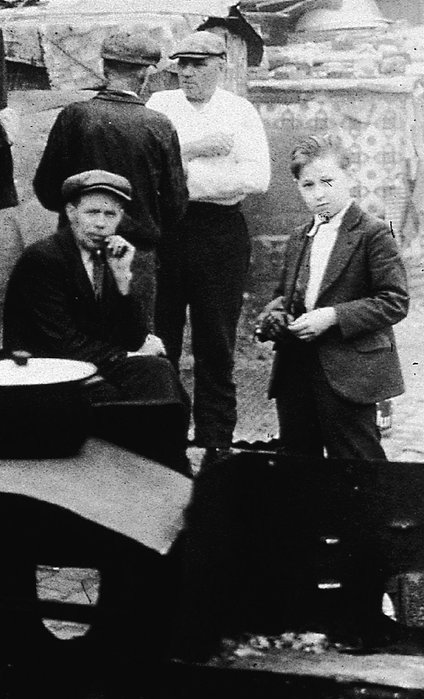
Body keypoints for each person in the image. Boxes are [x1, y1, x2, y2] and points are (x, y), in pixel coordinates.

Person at [146, 29, 271, 461]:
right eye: (181, 63)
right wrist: (200, 150)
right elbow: (147, 169)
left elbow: (257, 178)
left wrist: (182, 171)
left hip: (220, 234)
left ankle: (216, 439)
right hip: (166, 232)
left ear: (222, 65)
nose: (187, 73)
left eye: (198, 64)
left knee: (215, 340)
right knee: (160, 336)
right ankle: (163, 436)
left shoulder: (239, 111)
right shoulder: (159, 107)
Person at [254, 138, 408, 460]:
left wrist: (334, 315)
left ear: (348, 177)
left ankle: (368, 512)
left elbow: (394, 300)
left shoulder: (373, 233)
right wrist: (276, 314)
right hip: (296, 367)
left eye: (328, 181)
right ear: (298, 187)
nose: (319, 193)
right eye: (308, 185)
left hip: (349, 368)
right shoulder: (300, 236)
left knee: (356, 462)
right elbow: (286, 293)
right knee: (299, 462)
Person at [33, 29, 188, 321]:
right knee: (133, 347)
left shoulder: (73, 116)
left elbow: (46, 190)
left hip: (76, 254)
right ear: (144, 75)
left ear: (104, 68)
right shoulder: (159, 126)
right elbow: (175, 205)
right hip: (134, 257)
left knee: (78, 351)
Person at [3, 169, 182, 405]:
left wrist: (122, 278)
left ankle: (164, 440)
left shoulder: (107, 257)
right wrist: (128, 356)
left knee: (159, 375)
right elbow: (60, 342)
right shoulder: (44, 259)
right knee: (139, 393)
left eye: (110, 215)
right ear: (71, 213)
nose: (100, 224)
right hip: (44, 370)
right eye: (92, 213)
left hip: (89, 364)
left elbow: (132, 337)